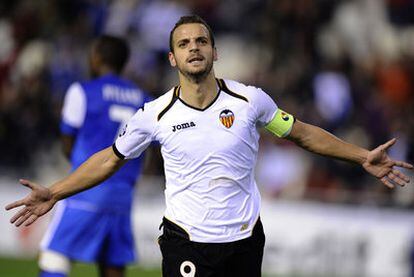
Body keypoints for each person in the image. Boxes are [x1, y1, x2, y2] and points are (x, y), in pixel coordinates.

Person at [5, 16, 413, 277]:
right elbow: (109, 160)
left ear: (215, 51)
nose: (194, 47)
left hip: (245, 242)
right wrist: (55, 192)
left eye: (201, 41)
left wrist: (362, 156)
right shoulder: (153, 114)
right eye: (184, 44)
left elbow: (302, 133)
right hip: (186, 242)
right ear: (171, 58)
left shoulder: (251, 100)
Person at [37, 35, 151, 277]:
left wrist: (85, 172)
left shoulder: (82, 91)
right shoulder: (144, 99)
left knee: (54, 256)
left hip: (86, 190)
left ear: (97, 57)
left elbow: (67, 143)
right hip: (123, 196)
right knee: (112, 267)